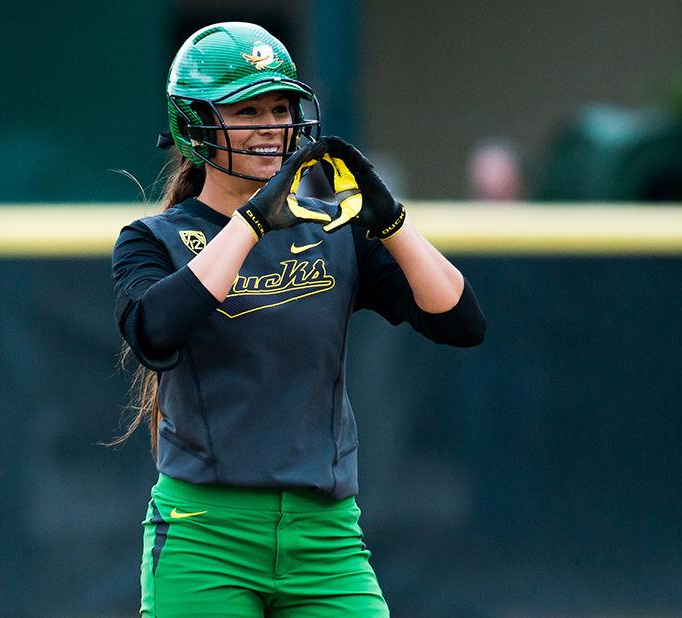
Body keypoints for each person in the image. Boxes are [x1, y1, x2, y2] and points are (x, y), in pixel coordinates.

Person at [110, 22, 486, 617]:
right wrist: (254, 221)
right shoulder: (150, 239)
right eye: (246, 109)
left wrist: (390, 220)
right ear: (196, 124)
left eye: (281, 107)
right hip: (206, 534)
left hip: (327, 537)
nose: (270, 126)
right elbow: (155, 332)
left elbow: (461, 321)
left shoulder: (332, 231)